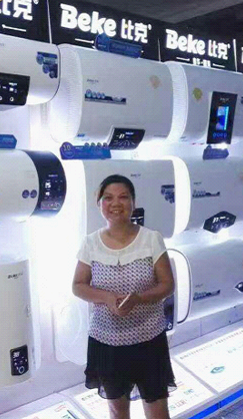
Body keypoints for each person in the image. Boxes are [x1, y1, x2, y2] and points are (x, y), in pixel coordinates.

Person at [73, 174, 176, 419]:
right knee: (117, 410)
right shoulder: (90, 243)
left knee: (157, 408)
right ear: (99, 204)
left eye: (123, 197)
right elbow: (78, 285)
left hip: (148, 339)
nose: (115, 203)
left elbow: (167, 285)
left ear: (133, 202)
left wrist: (139, 298)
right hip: (106, 341)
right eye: (108, 198)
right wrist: (107, 298)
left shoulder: (151, 239)